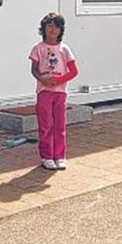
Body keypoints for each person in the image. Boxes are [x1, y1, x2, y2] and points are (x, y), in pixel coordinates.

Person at [29, 12, 78, 170]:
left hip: (60, 93)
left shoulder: (65, 49)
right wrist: (43, 80)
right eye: (50, 26)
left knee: (60, 125)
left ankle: (60, 156)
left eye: (57, 26)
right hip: (44, 92)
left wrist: (58, 81)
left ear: (61, 30)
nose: (53, 30)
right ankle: (46, 156)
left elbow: (73, 71)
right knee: (45, 124)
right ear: (43, 28)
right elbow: (34, 69)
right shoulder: (38, 48)